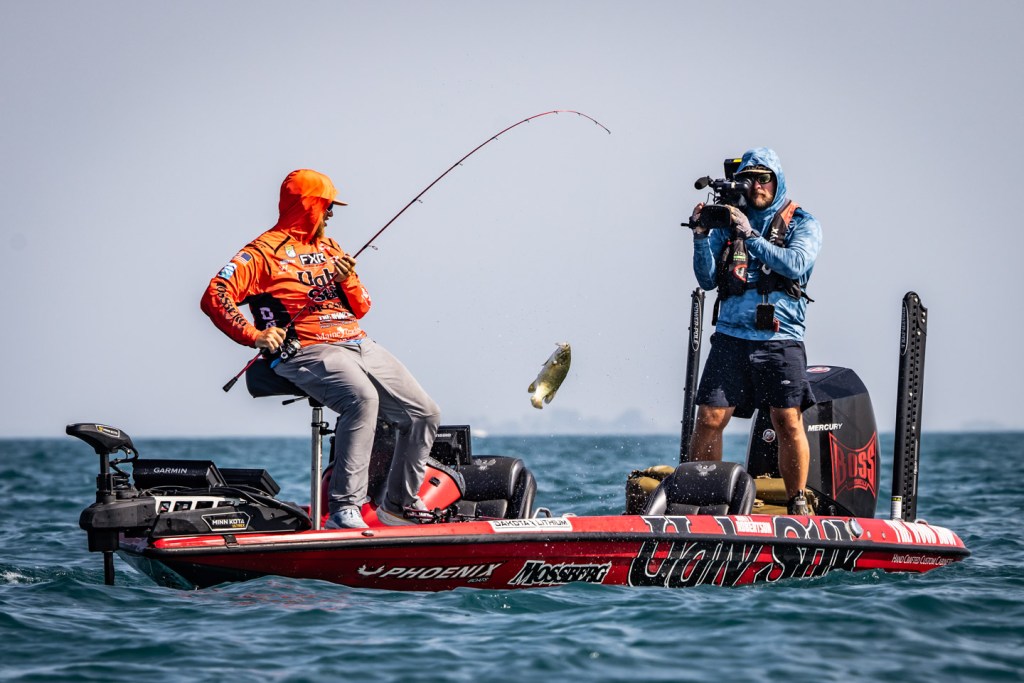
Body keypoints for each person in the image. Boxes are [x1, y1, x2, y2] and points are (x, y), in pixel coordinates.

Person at [201, 169, 441, 529]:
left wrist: (348, 279)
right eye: (327, 206)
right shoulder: (261, 252)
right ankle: (344, 509)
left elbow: (362, 307)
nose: (330, 214)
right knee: (363, 400)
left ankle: (398, 506)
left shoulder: (331, 248)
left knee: (424, 413)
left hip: (357, 341)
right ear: (308, 205)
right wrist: (254, 335)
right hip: (306, 349)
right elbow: (215, 294)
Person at [688, 148, 823, 515]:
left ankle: (797, 501)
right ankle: (704, 500)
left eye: (765, 179)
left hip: (780, 338)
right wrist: (701, 236)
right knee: (710, 418)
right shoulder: (728, 220)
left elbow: (795, 264)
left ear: (777, 181)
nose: (757, 185)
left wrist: (751, 237)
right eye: (750, 179)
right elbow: (707, 279)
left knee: (787, 420)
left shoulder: (801, 222)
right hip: (731, 337)